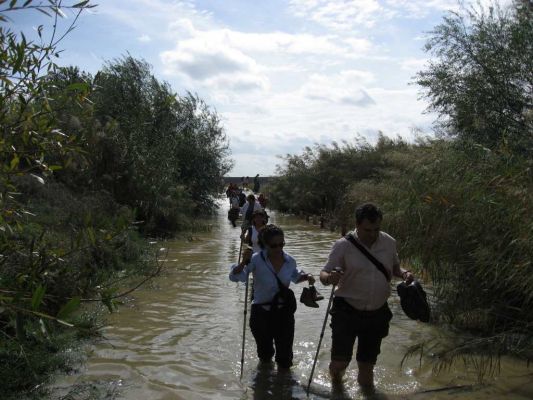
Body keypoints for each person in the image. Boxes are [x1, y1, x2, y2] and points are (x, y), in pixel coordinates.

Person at [319, 203, 414, 390]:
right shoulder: (343, 245)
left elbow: (394, 267)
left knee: (367, 370)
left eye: (376, 229)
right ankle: (337, 390)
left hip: (377, 313)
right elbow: (323, 274)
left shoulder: (388, 242)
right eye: (367, 230)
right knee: (339, 365)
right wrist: (330, 278)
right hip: (346, 311)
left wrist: (404, 274)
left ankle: (367, 393)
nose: (372, 234)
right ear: (357, 224)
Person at [230, 224, 316, 369]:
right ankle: (265, 382)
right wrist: (244, 261)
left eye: (281, 244)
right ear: (265, 244)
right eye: (274, 245)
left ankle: (283, 386)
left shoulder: (290, 260)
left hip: (284, 312)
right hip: (261, 313)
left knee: (285, 359)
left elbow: (295, 277)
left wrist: (308, 277)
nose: (278, 249)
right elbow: (236, 277)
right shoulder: (256, 260)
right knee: (265, 356)